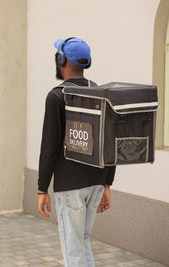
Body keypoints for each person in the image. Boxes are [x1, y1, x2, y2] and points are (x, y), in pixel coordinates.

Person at [37, 37, 116, 267]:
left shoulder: (55, 96)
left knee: (73, 250)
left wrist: (42, 188)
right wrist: (107, 184)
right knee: (81, 242)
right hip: (96, 182)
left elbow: (49, 147)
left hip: (70, 186)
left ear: (60, 60)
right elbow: (110, 142)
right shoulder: (101, 93)